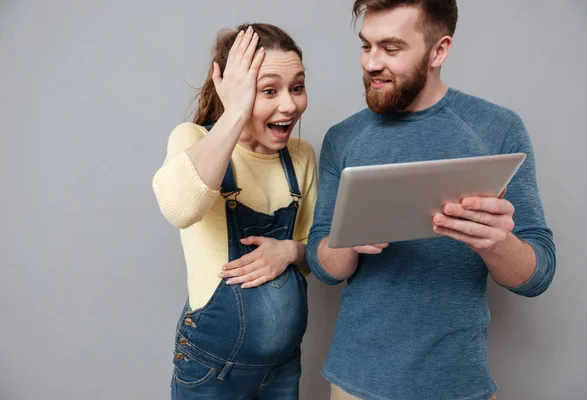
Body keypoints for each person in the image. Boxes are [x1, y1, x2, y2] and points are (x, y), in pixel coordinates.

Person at [306, 1, 556, 399]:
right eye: (366, 46)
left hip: (460, 384)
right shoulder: (343, 138)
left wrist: (497, 244)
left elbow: (538, 275)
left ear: (439, 50)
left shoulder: (496, 130)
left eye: (390, 49)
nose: (371, 63)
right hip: (356, 384)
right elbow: (321, 265)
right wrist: (347, 241)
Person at [152, 23, 317, 400]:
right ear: (233, 91)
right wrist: (236, 110)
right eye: (268, 90)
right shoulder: (193, 140)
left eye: (297, 87)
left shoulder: (301, 157)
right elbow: (179, 209)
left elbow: (317, 250)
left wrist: (291, 251)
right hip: (212, 371)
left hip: (282, 368)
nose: (289, 105)